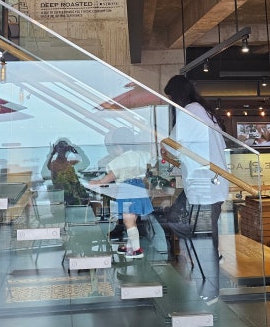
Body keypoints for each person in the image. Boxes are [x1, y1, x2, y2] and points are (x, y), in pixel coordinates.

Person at [161, 75, 229, 259]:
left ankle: (209, 261)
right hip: (210, 180)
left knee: (200, 227)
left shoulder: (191, 111)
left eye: (170, 97)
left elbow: (173, 144)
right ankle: (206, 259)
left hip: (205, 182)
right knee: (201, 226)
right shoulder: (203, 111)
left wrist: (163, 145)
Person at [89, 127, 153, 259]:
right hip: (139, 188)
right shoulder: (139, 155)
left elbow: (112, 175)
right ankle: (130, 246)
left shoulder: (121, 160)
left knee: (128, 220)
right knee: (132, 220)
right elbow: (151, 159)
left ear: (118, 146)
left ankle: (137, 250)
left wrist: (99, 181)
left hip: (127, 190)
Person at [42, 137, 90, 205]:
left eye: (65, 147)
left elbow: (86, 163)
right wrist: (51, 154)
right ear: (56, 149)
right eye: (60, 146)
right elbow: (44, 172)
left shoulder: (71, 164)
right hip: (62, 200)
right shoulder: (53, 165)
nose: (62, 150)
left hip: (76, 199)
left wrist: (77, 150)